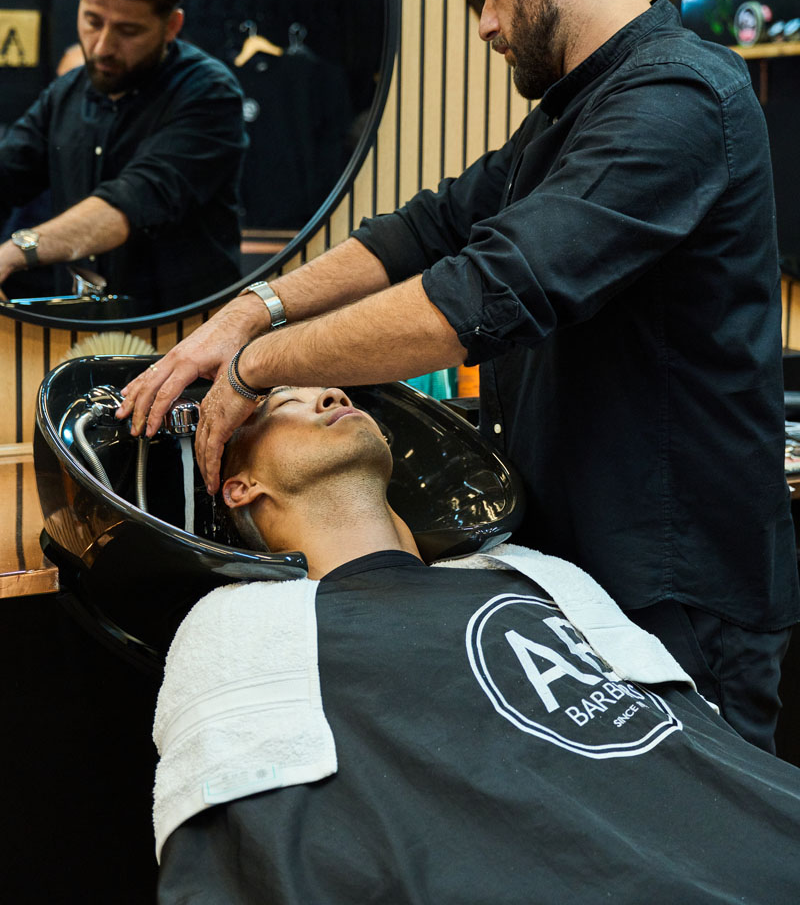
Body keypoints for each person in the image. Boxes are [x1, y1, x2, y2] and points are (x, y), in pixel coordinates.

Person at [119, 0, 800, 749]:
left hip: (680, 590)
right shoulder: (574, 112)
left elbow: (484, 291)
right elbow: (427, 229)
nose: (483, 21)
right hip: (588, 573)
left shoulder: (679, 99)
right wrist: (252, 308)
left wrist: (257, 365)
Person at [154, 385, 800, 905]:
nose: (327, 394)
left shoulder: (533, 576)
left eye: (327, 387)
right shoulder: (249, 630)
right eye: (279, 406)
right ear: (240, 486)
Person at [0, 0, 246, 311]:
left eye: (128, 30)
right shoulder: (66, 93)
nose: (102, 47)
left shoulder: (209, 93)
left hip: (181, 334)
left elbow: (131, 202)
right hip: (85, 330)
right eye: (93, 21)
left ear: (172, 26)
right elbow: (8, 171)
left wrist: (16, 251)